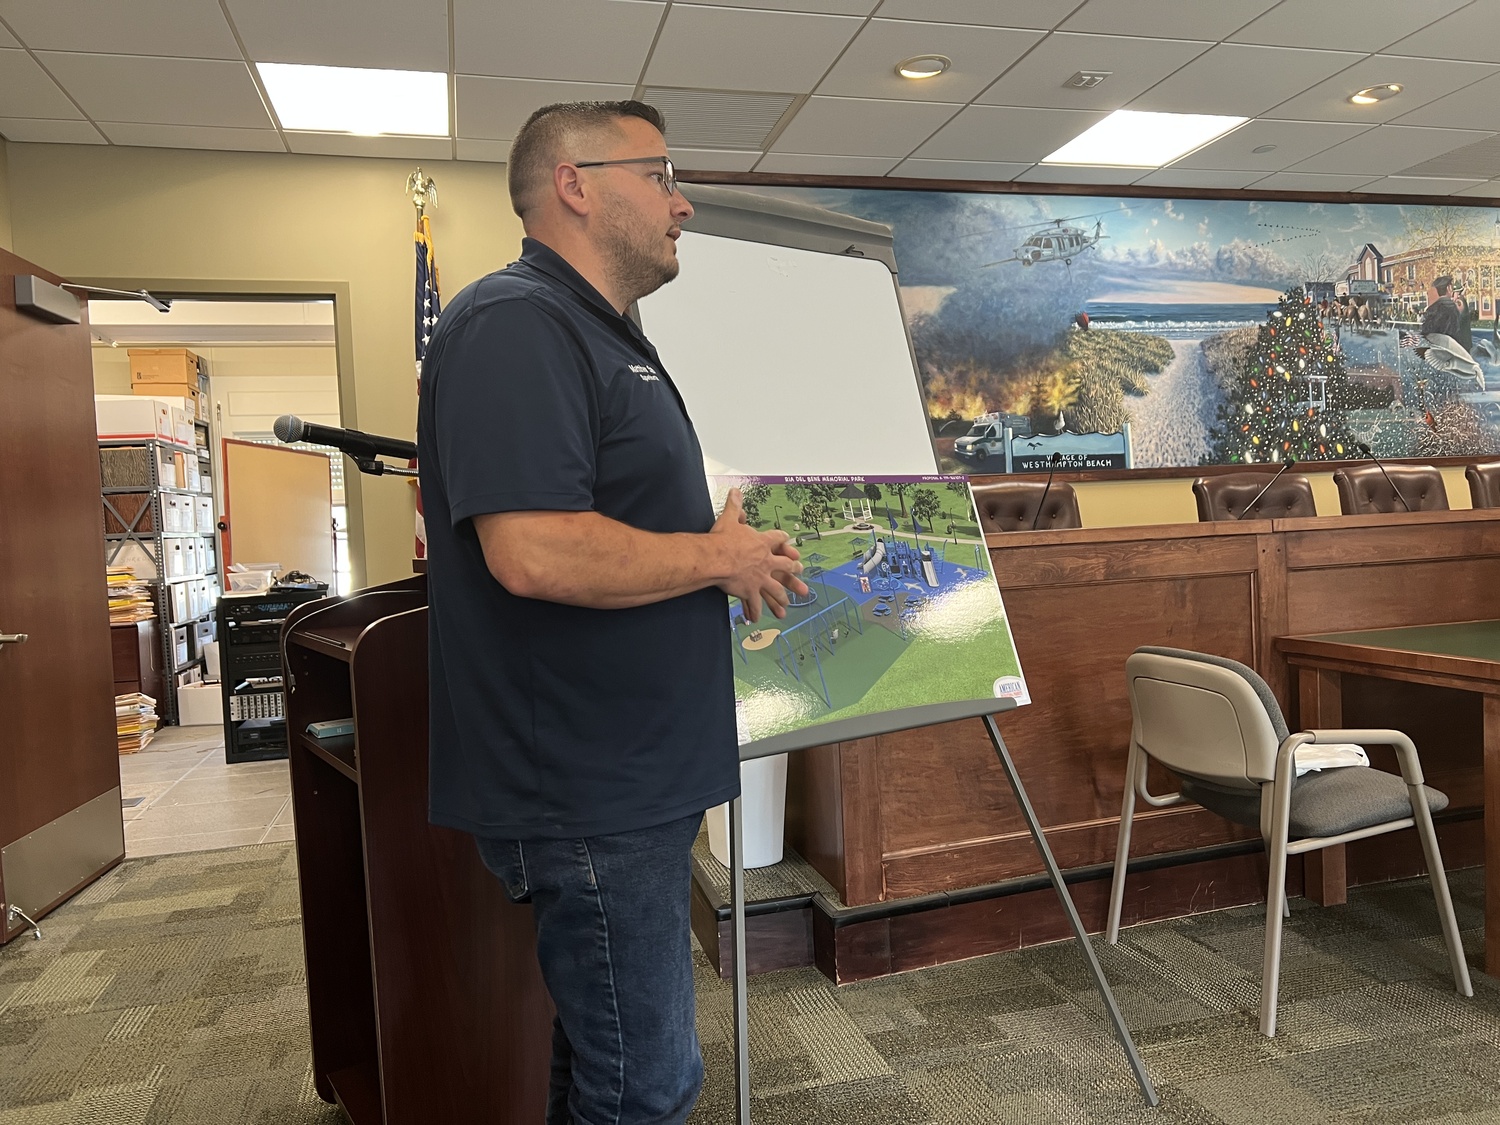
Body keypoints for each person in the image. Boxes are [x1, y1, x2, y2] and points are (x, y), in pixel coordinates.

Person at [416, 100, 807, 1125]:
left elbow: (599, 527)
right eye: (659, 174)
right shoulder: (516, 325)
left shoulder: (594, 330)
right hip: (589, 787)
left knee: (606, 1061)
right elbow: (533, 549)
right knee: (649, 1086)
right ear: (574, 183)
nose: (682, 203)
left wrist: (725, 563)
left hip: (626, 775)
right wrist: (713, 556)